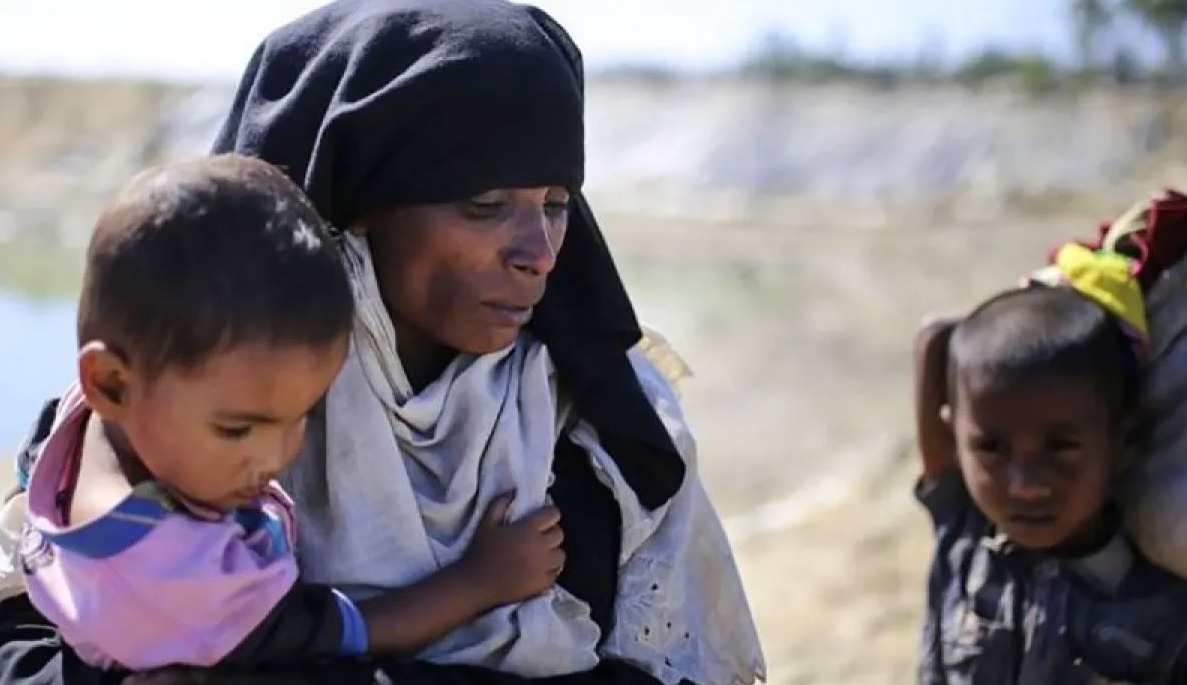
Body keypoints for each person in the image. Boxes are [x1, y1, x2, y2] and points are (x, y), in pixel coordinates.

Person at [0, 1, 765, 684]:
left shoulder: (608, 433)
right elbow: (27, 643)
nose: (539, 249)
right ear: (362, 201)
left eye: (556, 202)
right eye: (484, 204)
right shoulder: (174, 399)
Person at [15, 153, 571, 673]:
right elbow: (344, 632)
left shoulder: (87, 418)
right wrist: (480, 582)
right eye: (238, 429)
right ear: (110, 382)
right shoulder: (177, 576)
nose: (279, 455)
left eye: (303, 415)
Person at [912, 242, 1187, 684]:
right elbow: (934, 339)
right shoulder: (965, 533)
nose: (1025, 484)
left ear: (1124, 441)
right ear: (957, 440)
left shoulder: (1160, 609)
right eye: (993, 449)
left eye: (1061, 447)